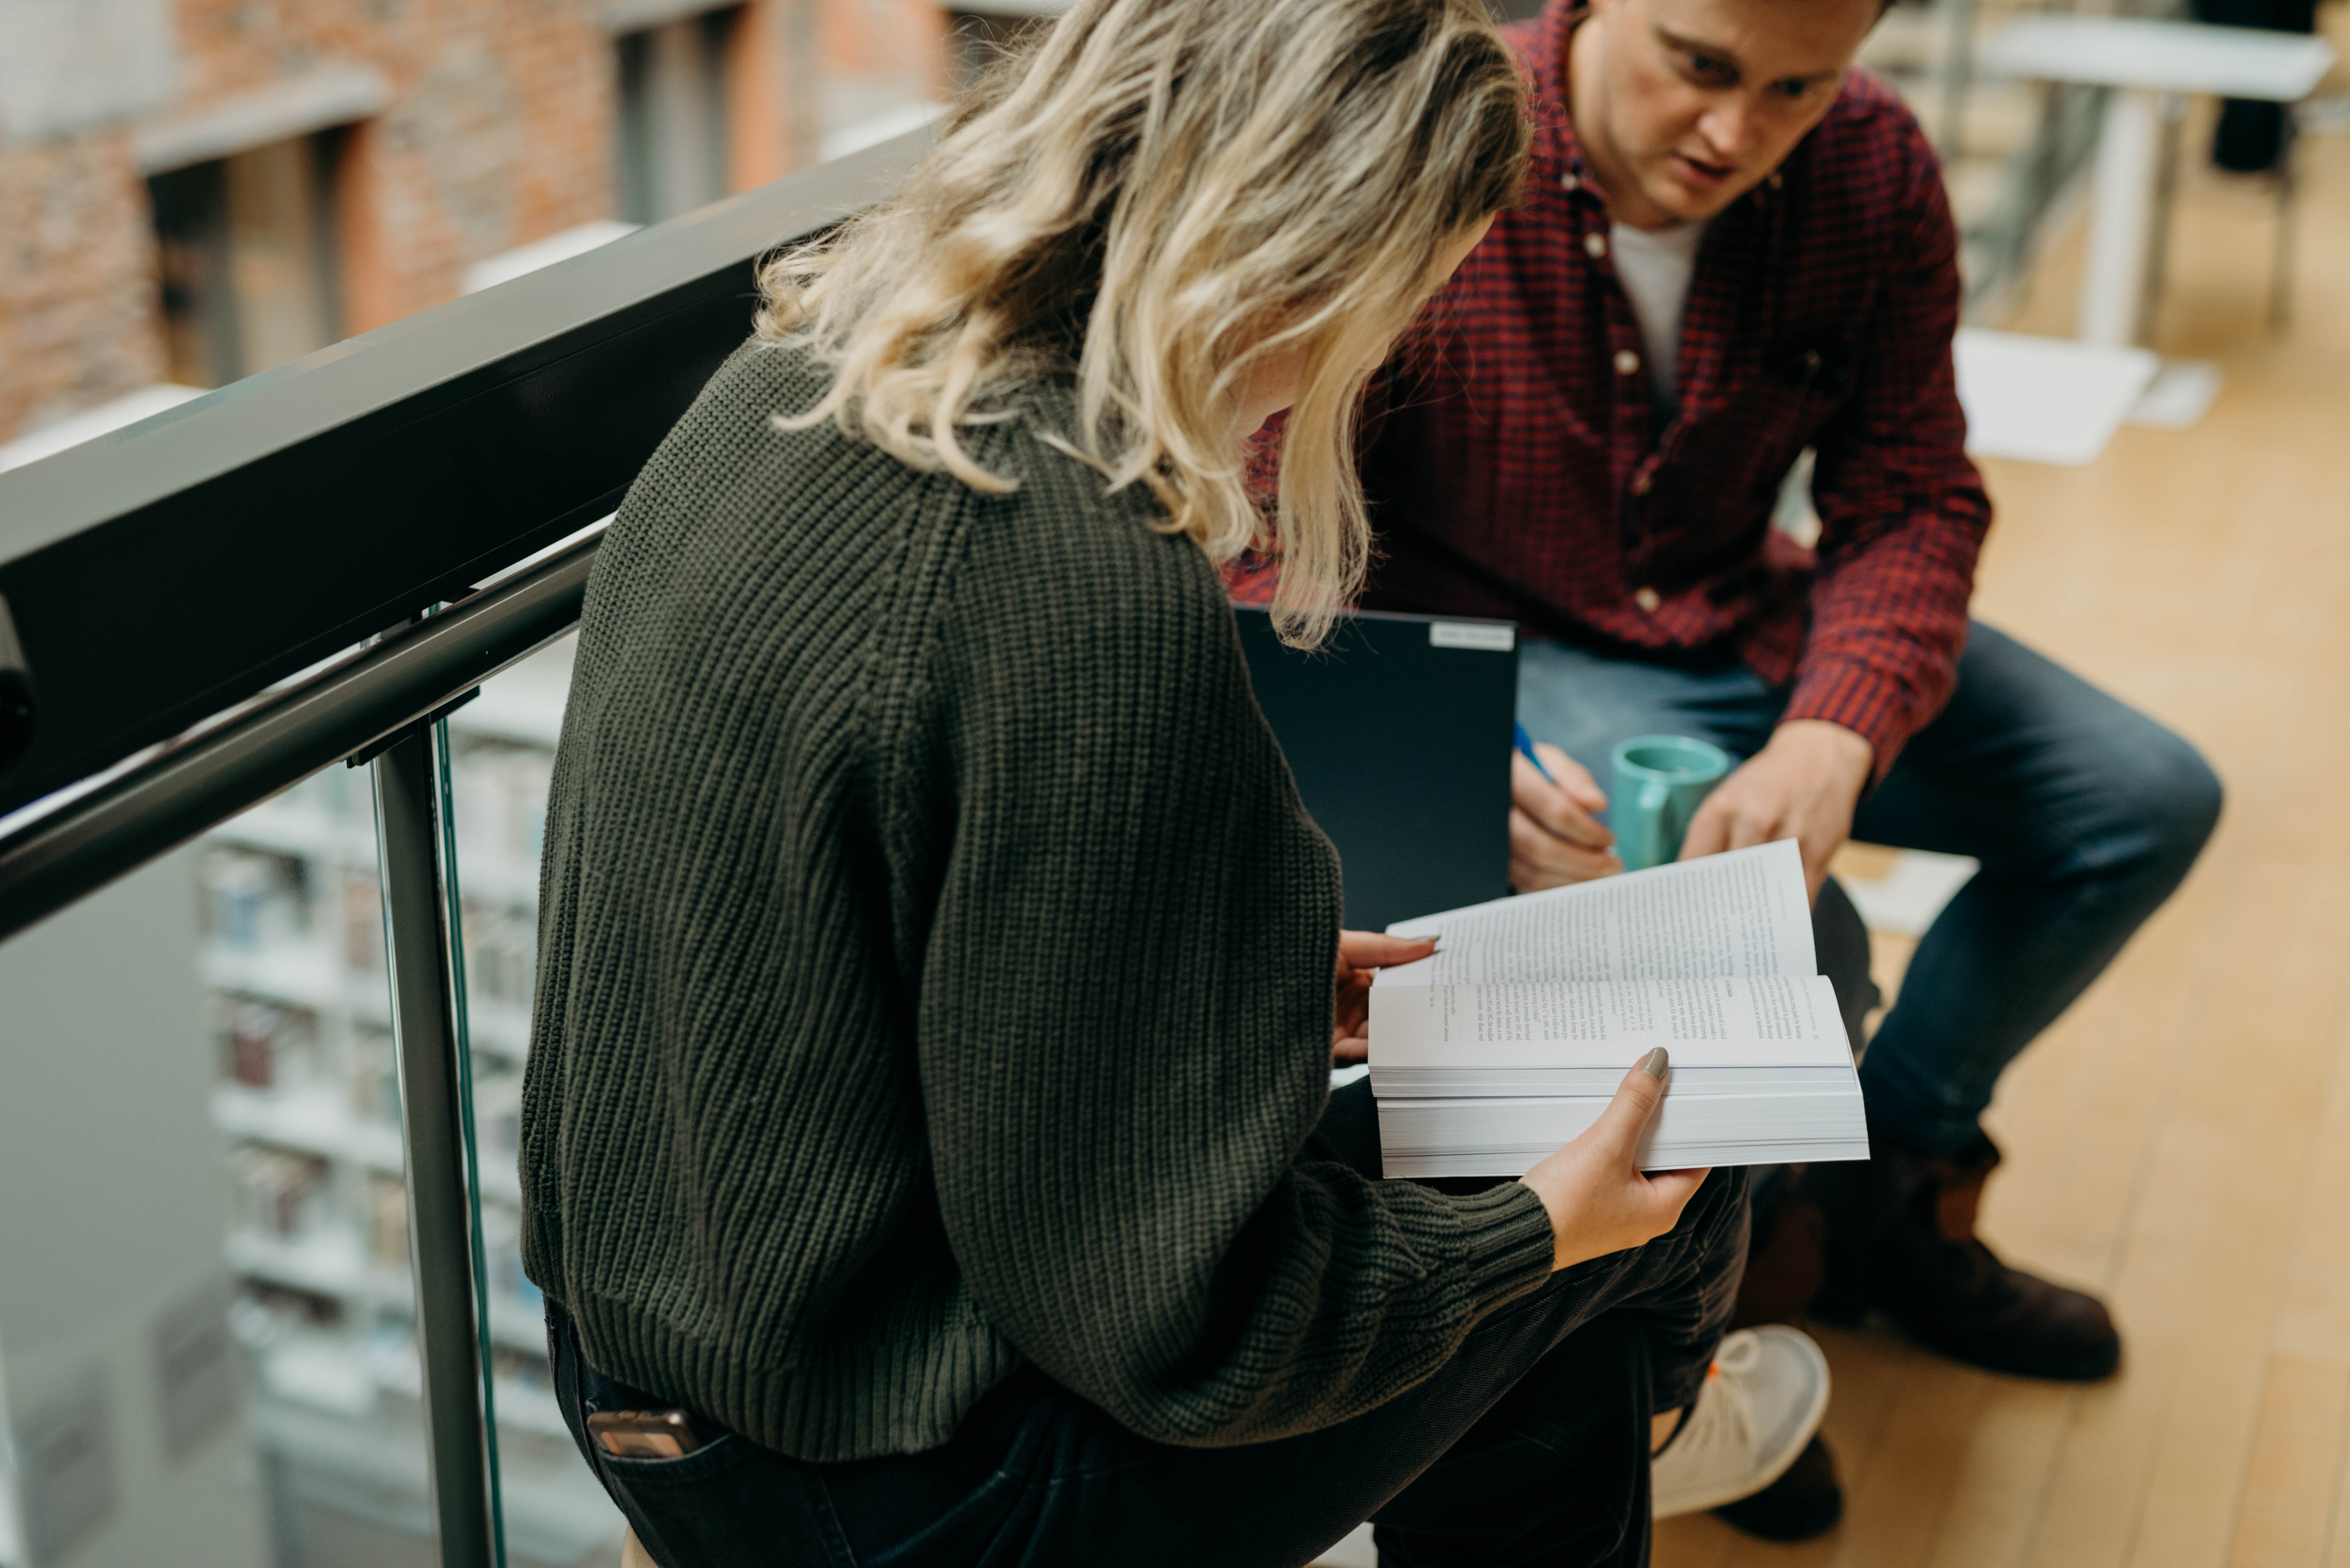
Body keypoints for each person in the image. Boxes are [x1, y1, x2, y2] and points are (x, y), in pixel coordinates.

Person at [516, 0, 1797, 1562]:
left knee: (1544, 1241)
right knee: (1666, 1150)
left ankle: (1590, 1402)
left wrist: (1229, 987)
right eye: (1405, 297)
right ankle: (1645, 1407)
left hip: (658, 1385)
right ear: (1311, 254)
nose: (1385, 351)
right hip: (900, 1489)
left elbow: (884, 945)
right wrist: (1531, 1237)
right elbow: (1185, 1337)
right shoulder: (1077, 569)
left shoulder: (792, 387)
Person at [1240, 0, 2224, 1431]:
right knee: (1785, 939)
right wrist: (1443, 724)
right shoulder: (1439, 135)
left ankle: (1875, 1189)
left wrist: (1841, 726)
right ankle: (1720, 1308)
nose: (1734, 134)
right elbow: (1268, 508)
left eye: (1793, 90)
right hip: (1516, 656)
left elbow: (1912, 494)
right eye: (1698, 67)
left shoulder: (1872, 164)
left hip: (1748, 617)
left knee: (2141, 801)